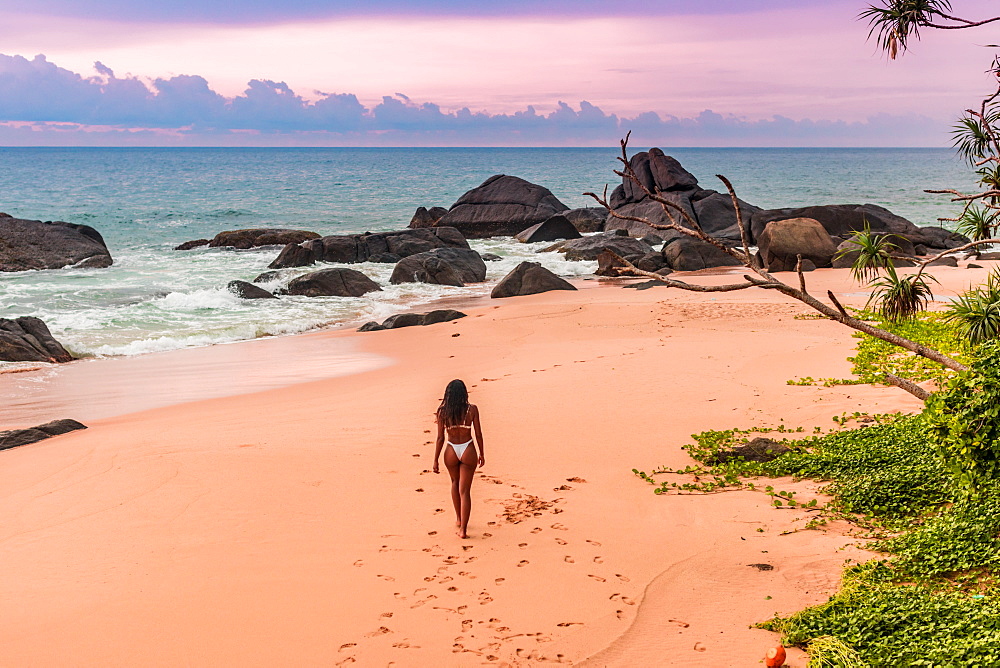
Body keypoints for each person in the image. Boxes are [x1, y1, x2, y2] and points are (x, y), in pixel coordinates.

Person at [432, 379, 484, 539]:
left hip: (450, 450)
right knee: (465, 490)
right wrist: (482, 453)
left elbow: (440, 438)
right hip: (467, 448)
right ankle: (463, 530)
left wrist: (435, 460)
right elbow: (478, 434)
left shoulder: (443, 412)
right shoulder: (472, 409)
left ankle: (459, 519)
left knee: (454, 483)